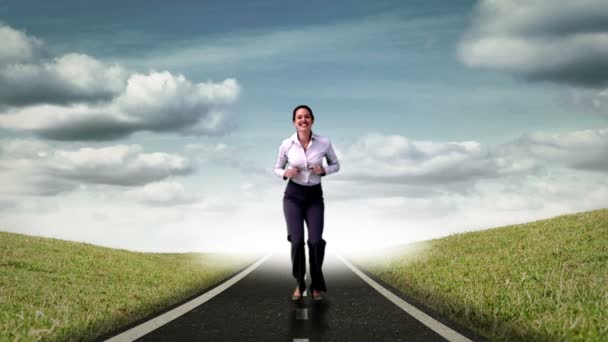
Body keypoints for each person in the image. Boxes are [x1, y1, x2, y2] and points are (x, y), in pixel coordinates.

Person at [273, 104, 340, 301]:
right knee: (296, 241)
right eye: (299, 117)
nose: (303, 120)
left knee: (315, 241)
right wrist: (285, 172)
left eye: (307, 116)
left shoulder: (324, 143)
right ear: (294, 122)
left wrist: (324, 170)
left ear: (312, 120)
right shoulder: (286, 144)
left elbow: (336, 164)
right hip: (293, 196)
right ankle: (299, 283)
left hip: (314, 197)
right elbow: (277, 167)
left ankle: (316, 285)